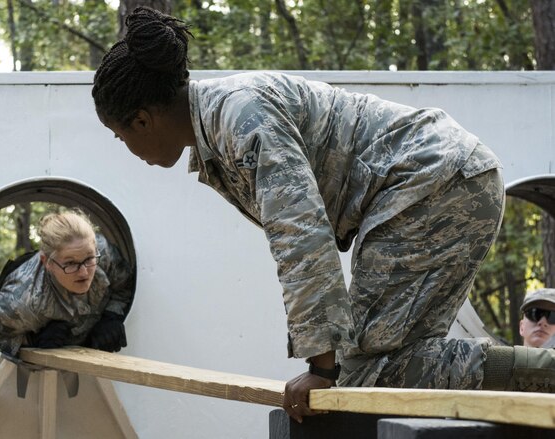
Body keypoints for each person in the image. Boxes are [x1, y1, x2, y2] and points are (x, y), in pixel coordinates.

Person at [91, 6, 555, 422]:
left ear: (142, 120)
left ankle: (545, 373)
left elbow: (301, 236)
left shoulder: (240, 118)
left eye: (118, 137)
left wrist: (321, 367)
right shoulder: (218, 123)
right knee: (395, 365)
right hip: (443, 182)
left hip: (432, 183)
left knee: (365, 374)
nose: (127, 149)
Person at [0, 210, 135, 357]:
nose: (84, 272)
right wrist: (29, 341)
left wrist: (111, 316)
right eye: (70, 263)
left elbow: (124, 286)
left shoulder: (104, 255)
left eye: (89, 259)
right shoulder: (19, 302)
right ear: (47, 262)